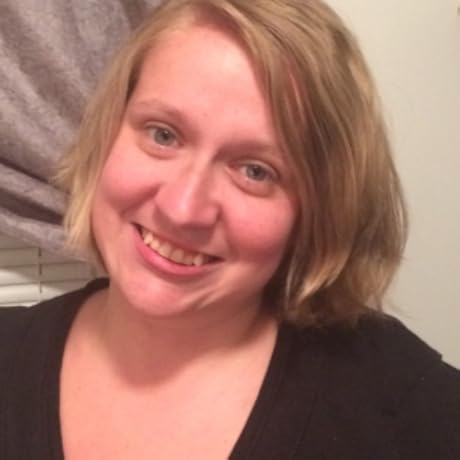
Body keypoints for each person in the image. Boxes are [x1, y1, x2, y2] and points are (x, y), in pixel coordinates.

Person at [0, 0, 459, 458]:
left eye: (256, 171)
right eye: (163, 134)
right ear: (108, 132)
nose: (182, 209)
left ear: (319, 211)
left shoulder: (404, 409)